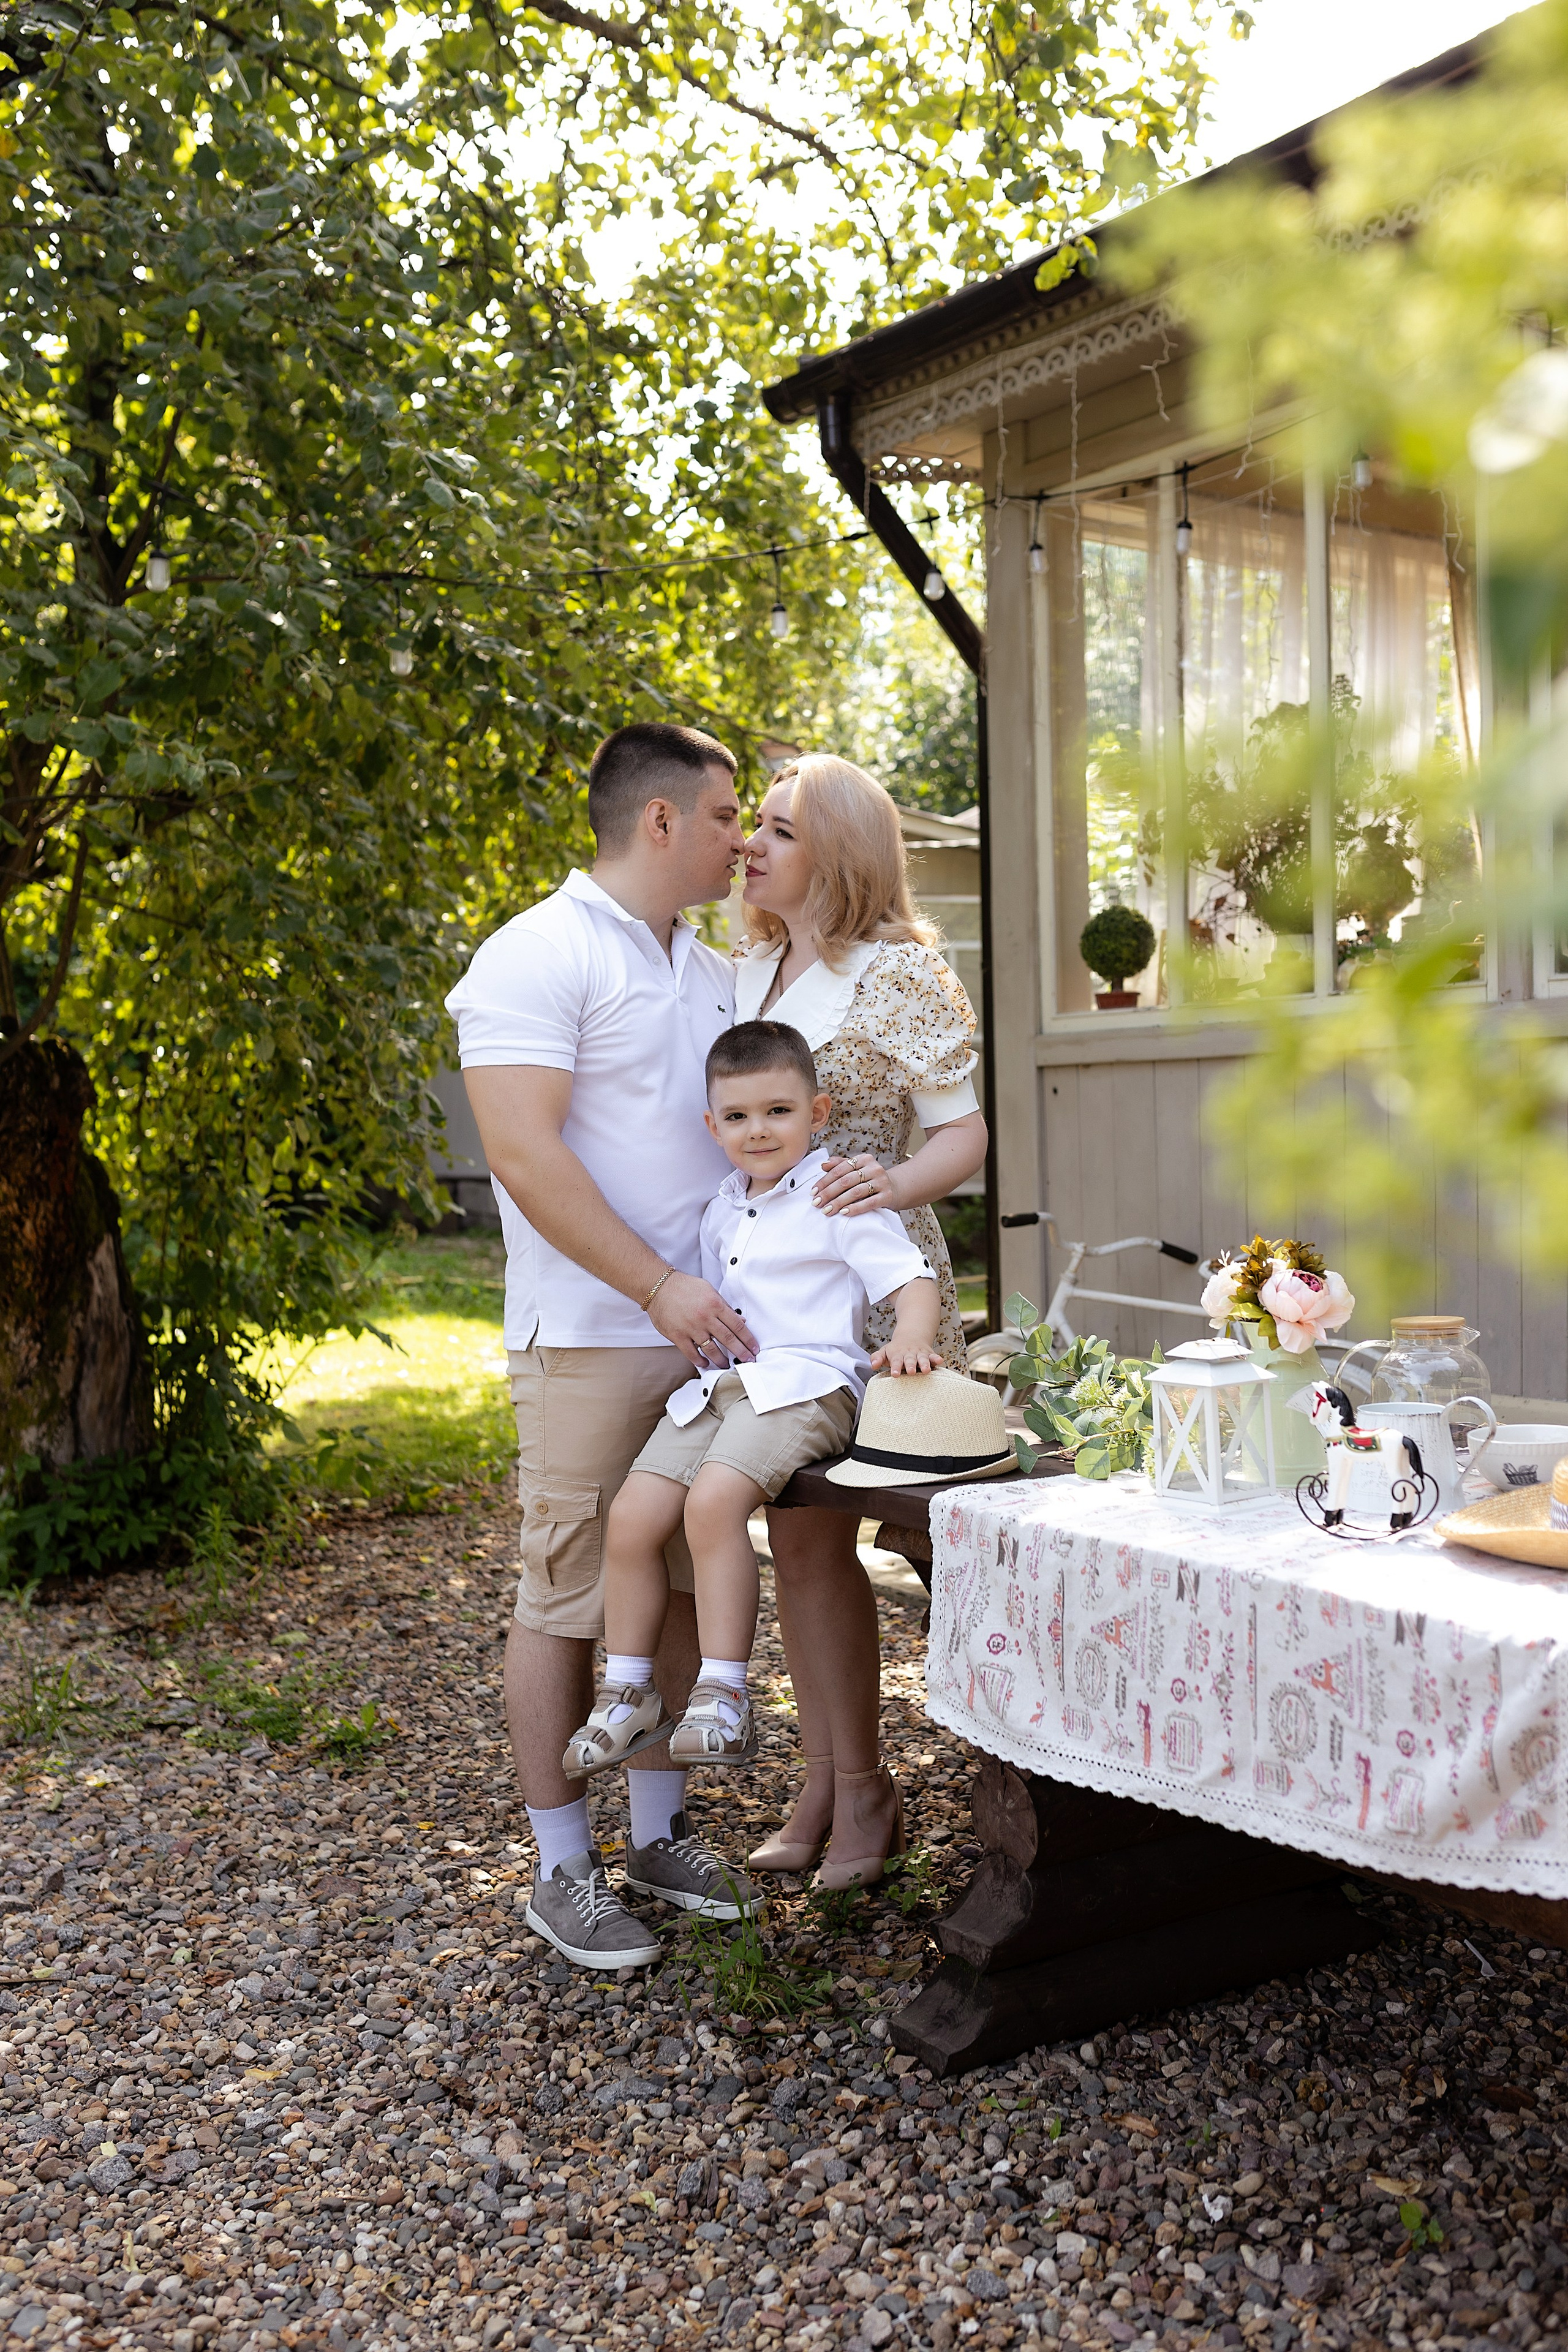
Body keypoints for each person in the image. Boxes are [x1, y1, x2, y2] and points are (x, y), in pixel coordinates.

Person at [445, 720, 762, 1971]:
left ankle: (655, 1833)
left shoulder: (707, 965)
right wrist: (654, 1287)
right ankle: (560, 1869)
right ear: (663, 822)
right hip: (591, 1329)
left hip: (706, 1335)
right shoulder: (535, 952)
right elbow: (522, 1156)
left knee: (677, 1584)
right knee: (567, 1596)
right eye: (729, 817)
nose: (743, 841)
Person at [559, 1019, 941, 1826]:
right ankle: (628, 1688)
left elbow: (910, 1282)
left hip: (807, 1386)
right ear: (713, 1127)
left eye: (777, 1111)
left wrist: (909, 1341)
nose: (757, 1131)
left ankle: (725, 1694)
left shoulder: (834, 1190)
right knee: (630, 1518)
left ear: (817, 1111)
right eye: (737, 1117)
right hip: (725, 1389)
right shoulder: (723, 1208)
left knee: (713, 1504)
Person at [736, 754, 988, 1887]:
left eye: (779, 830)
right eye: (754, 825)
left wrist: (888, 1185)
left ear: (835, 854)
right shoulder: (745, 970)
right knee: (796, 1534)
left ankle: (928, 1788)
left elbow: (961, 1138)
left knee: (911, 1537)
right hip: (777, 1298)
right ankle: (839, 1782)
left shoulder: (900, 976)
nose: (752, 844)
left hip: (881, 1294)